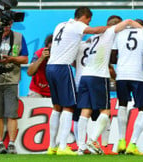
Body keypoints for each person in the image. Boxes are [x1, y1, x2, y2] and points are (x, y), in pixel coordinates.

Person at [46, 6, 109, 155]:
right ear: (84, 17)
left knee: (56, 107)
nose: (88, 24)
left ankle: (51, 146)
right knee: (69, 107)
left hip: (50, 66)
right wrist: (110, 28)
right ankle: (62, 147)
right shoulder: (77, 26)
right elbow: (93, 31)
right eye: (89, 21)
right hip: (62, 68)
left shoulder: (60, 25)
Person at [77, 15, 143, 155]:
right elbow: (130, 21)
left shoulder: (95, 36)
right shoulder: (111, 32)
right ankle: (92, 141)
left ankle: (81, 146)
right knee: (105, 111)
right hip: (98, 76)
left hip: (85, 75)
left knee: (85, 111)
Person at [0, 21, 29, 154]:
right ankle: (0, 144)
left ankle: (11, 144)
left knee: (12, 115)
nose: (7, 27)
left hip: (12, 80)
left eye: (9, 24)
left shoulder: (19, 37)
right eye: (5, 25)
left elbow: (25, 59)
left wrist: (11, 59)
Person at [110, 19, 143, 155]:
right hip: (139, 74)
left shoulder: (120, 34)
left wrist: (122, 59)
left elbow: (113, 57)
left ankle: (121, 141)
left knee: (122, 105)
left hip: (122, 74)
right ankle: (132, 143)